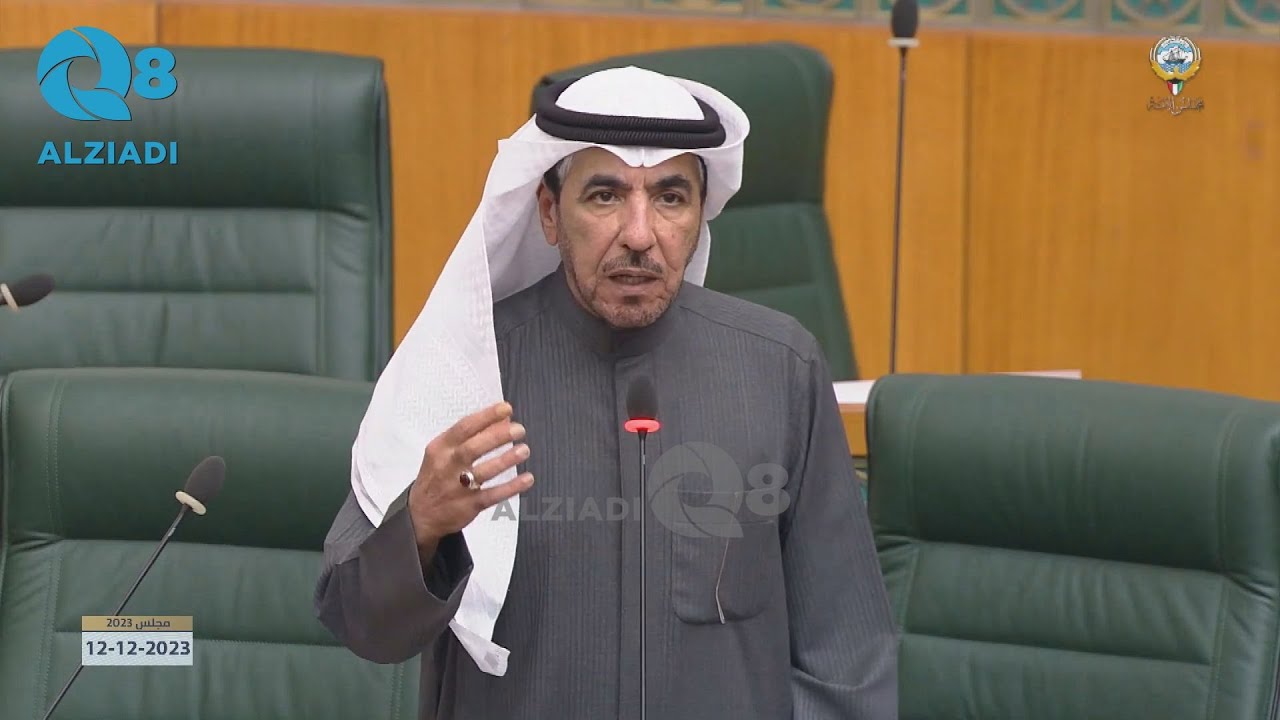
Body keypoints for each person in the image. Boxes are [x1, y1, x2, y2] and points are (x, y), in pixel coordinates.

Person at [315, 65, 898, 720]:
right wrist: (421, 527)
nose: (640, 234)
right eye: (604, 196)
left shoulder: (777, 367)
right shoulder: (466, 370)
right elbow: (361, 625)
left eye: (670, 198)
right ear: (549, 212)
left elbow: (847, 659)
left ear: (699, 214)